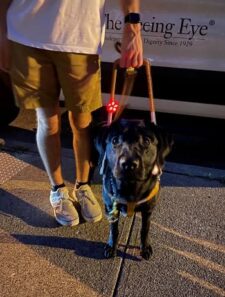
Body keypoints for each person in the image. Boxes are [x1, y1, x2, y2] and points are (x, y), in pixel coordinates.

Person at [0, 0, 143, 226]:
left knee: (82, 121)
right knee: (48, 122)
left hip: (81, 37)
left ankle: (83, 185)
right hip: (26, 35)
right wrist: (2, 32)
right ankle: (57, 189)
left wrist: (133, 26)